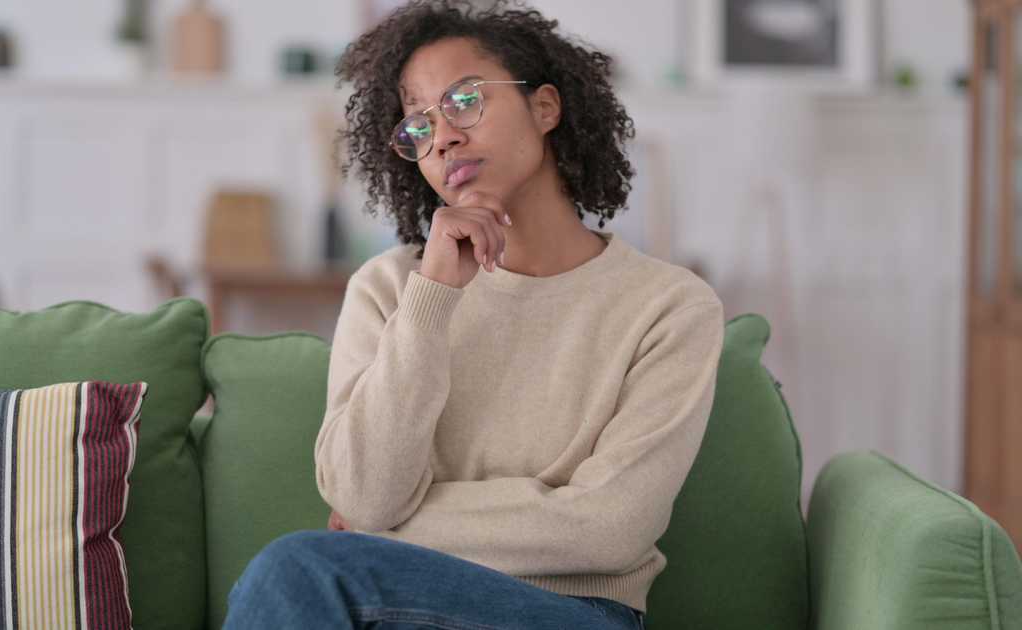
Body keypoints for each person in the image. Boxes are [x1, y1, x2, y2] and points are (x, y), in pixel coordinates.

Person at [223, 1, 724, 627]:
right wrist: (432, 297)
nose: (444, 138)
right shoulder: (388, 289)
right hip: (396, 608)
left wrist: (384, 531)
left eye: (464, 102)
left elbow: (610, 528)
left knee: (300, 569)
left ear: (545, 107)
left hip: (575, 611)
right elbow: (362, 495)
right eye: (419, 127)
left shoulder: (668, 307)